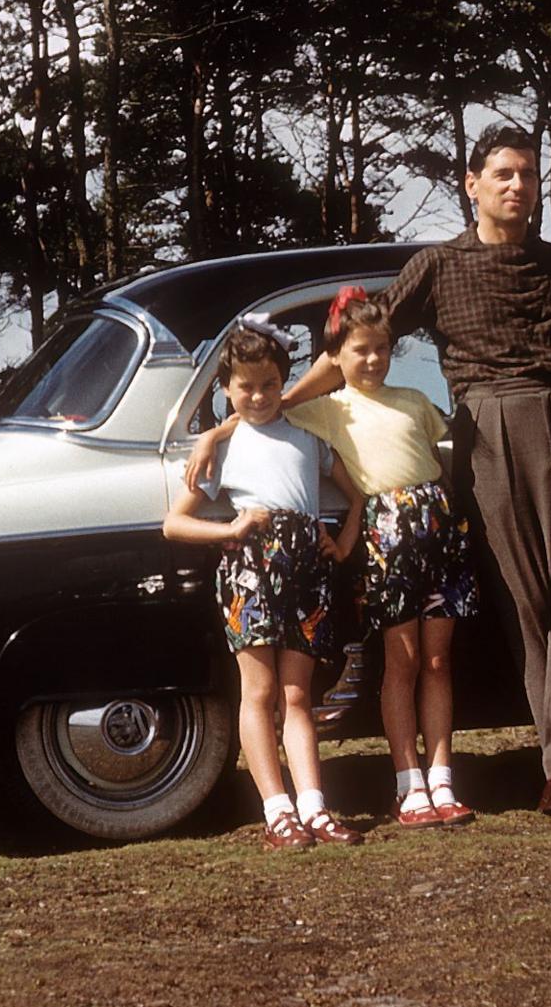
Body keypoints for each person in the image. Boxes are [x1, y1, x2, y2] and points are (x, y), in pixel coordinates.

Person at [284, 124, 551, 821]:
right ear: (472, 185)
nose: (518, 186)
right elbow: (362, 339)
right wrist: (270, 406)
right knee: (533, 606)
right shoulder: (440, 265)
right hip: (490, 428)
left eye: (528, 176)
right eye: (503, 173)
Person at [193, 288, 481, 828]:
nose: (372, 360)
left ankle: (442, 778)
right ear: (335, 357)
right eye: (358, 350)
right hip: (387, 536)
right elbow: (266, 404)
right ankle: (408, 785)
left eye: (382, 349)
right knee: (403, 661)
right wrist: (213, 433)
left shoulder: (415, 401)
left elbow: (440, 464)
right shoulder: (325, 411)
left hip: (438, 530)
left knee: (439, 661)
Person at [163, 318, 368, 849]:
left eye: (269, 385)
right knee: (259, 691)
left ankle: (315, 808)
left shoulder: (308, 436)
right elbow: (173, 523)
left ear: (283, 382)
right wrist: (230, 528)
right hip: (250, 573)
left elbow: (356, 495)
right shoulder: (221, 449)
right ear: (227, 388)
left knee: (298, 694)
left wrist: (343, 541)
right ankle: (277, 812)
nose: (258, 396)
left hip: (307, 573)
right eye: (245, 387)